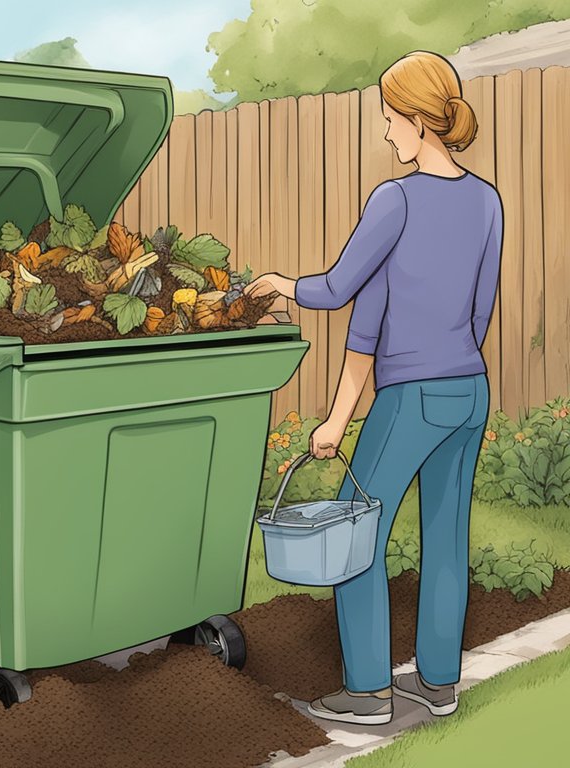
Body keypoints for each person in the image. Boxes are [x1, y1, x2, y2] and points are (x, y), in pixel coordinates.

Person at [246, 50, 503, 726]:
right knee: (447, 536)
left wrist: (281, 284)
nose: (387, 133)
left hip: (412, 396)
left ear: (421, 123)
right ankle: (439, 684)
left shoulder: (395, 200)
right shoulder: (486, 201)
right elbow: (450, 313)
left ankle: (366, 691)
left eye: (391, 120)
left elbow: (337, 291)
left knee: (358, 531)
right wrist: (336, 417)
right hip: (468, 390)